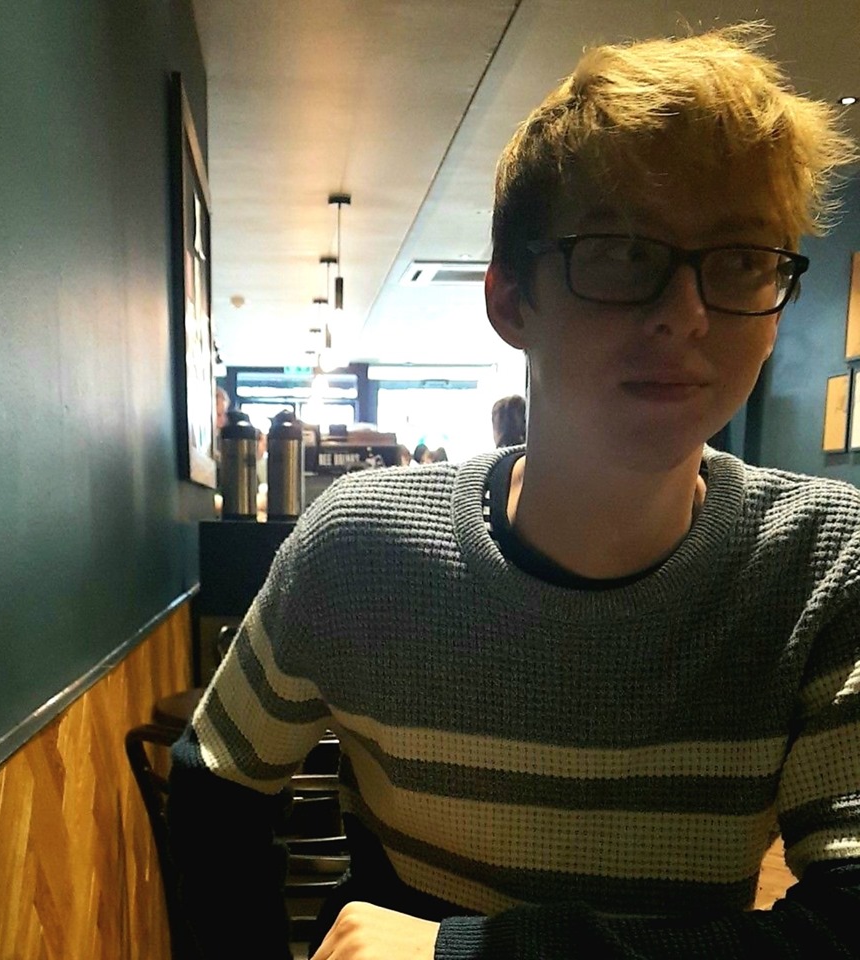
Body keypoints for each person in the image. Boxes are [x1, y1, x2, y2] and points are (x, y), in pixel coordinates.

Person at [167, 23, 860, 959]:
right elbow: (215, 789)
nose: (688, 314)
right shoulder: (359, 548)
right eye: (624, 252)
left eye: (739, 259)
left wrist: (462, 955)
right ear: (509, 300)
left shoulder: (825, 565)